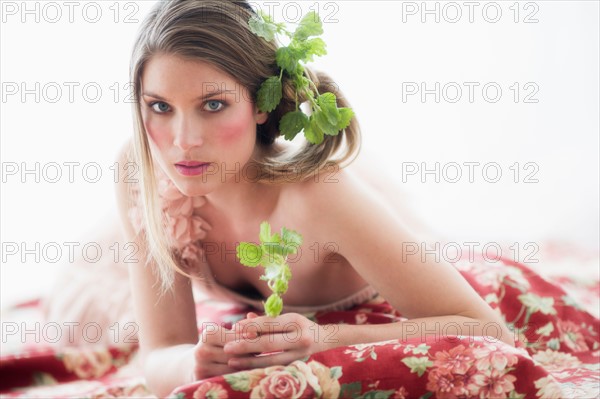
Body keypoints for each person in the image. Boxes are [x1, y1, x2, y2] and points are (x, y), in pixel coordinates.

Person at [117, 0, 514, 396]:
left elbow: (487, 330)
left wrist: (324, 340)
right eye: (160, 107)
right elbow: (162, 351)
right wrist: (190, 363)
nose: (184, 141)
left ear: (261, 104)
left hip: (409, 322)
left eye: (213, 105)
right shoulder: (140, 175)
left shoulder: (320, 195)